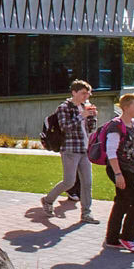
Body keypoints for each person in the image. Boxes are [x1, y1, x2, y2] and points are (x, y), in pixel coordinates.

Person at [40, 80, 101, 221]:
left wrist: (92, 117)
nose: (86, 96)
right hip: (70, 149)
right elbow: (65, 127)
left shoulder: (85, 106)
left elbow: (91, 129)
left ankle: (86, 213)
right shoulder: (64, 107)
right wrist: (82, 116)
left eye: (88, 93)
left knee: (87, 183)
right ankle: (48, 200)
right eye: (83, 93)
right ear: (74, 92)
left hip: (85, 149)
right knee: (69, 182)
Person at [102, 93, 134, 253]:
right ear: (125, 108)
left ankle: (112, 238)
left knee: (122, 202)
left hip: (128, 169)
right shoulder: (116, 126)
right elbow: (111, 152)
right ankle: (127, 238)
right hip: (119, 169)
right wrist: (118, 174)